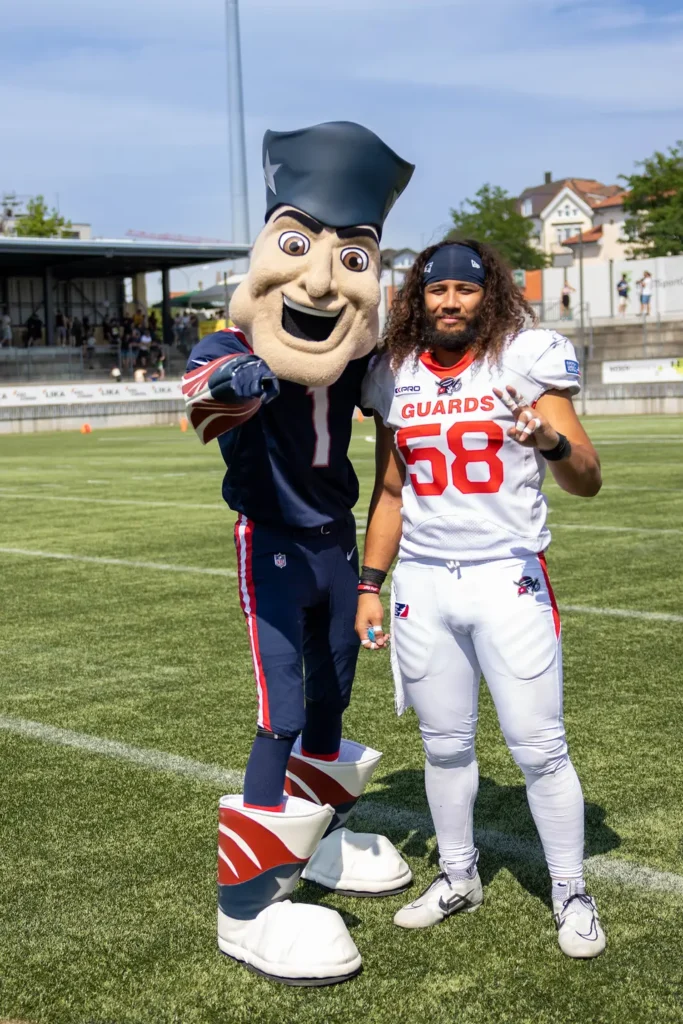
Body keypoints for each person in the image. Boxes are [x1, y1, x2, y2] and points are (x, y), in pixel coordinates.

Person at [182, 121, 414, 986]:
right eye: (298, 244)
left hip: (334, 541)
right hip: (272, 540)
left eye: (349, 256)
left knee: (332, 699)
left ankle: (318, 844)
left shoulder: (354, 359)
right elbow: (202, 391)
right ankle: (246, 903)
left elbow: (393, 392)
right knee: (281, 706)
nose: (321, 278)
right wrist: (232, 386)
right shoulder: (238, 344)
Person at [358, 240, 606, 960]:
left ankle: (570, 891)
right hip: (424, 583)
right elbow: (391, 491)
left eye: (465, 290)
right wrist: (368, 585)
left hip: (506, 577)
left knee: (539, 749)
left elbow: (588, 477)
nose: (449, 302)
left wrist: (549, 442)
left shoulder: (525, 360)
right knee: (443, 748)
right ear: (418, 298)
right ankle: (457, 875)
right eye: (437, 291)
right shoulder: (392, 372)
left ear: (486, 294)